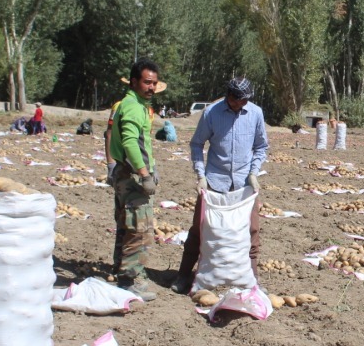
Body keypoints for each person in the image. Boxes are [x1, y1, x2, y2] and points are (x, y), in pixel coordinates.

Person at [172, 77, 269, 295]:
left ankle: (252, 279)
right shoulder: (211, 113)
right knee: (200, 229)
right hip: (215, 180)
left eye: (245, 101)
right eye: (239, 100)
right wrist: (200, 175)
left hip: (244, 182)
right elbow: (197, 143)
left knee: (251, 230)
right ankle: (184, 275)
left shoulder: (255, 113)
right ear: (229, 97)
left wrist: (254, 172)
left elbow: (261, 146)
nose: (242, 104)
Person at [108, 59, 166, 300]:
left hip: (126, 172)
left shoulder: (134, 105)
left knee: (125, 224)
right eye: (146, 82)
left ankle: (121, 272)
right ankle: (130, 281)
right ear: (134, 82)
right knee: (137, 228)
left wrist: (150, 167)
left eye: (154, 83)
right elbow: (131, 142)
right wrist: (144, 174)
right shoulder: (132, 106)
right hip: (132, 176)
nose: (151, 87)